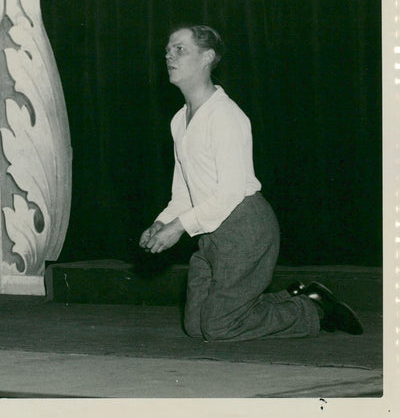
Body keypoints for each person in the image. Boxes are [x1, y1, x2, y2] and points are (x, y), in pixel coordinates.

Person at [139, 25, 363, 341]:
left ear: (207, 58)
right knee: (196, 327)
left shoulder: (226, 116)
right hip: (210, 234)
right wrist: (161, 223)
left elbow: (230, 193)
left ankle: (313, 310)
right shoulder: (179, 120)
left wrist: (178, 228)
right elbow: (184, 194)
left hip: (246, 229)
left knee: (217, 327)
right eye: (167, 50)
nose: (168, 56)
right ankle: (295, 297)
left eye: (180, 49)